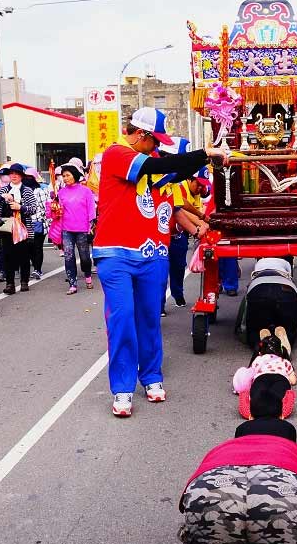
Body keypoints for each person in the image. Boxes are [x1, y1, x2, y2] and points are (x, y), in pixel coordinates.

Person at [93, 107, 228, 417]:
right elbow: (158, 165)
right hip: (115, 255)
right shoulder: (117, 154)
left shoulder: (155, 175)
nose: (157, 149)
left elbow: (174, 171)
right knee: (123, 318)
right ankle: (123, 387)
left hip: (153, 254)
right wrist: (203, 151)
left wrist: (211, 158)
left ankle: (151, 376)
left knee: (149, 318)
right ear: (141, 135)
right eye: (155, 143)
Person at [0, 163, 37, 295]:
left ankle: (24, 281)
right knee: (7, 255)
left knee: (24, 255)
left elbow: (33, 209)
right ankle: (10, 284)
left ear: (21, 176)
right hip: (6, 227)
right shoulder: (3, 190)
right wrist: (2, 197)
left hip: (23, 227)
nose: (14, 176)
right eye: (11, 173)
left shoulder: (27, 190)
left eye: (17, 173)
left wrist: (20, 207)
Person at [168, 168, 211, 307]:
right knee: (161, 272)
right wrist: (202, 222)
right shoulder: (178, 186)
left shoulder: (197, 192)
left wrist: (202, 225)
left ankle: (178, 294)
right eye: (198, 184)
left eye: (202, 185)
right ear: (189, 179)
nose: (200, 188)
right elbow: (184, 212)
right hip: (164, 234)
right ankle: (160, 304)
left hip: (179, 234)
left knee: (179, 267)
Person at [58, 163, 96, 294]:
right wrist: (55, 209)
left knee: (84, 256)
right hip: (66, 229)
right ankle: (72, 283)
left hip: (82, 228)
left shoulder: (86, 191)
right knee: (68, 256)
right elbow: (58, 210)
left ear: (74, 175)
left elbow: (91, 209)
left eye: (68, 175)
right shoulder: (61, 192)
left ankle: (87, 276)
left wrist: (91, 225)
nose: (65, 178)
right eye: (63, 176)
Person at [234, 374, 297, 442]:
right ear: (281, 416)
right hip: (280, 378)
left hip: (261, 377)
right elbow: (292, 448)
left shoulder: (242, 429)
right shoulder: (288, 428)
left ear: (250, 417)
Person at [24, 167, 48, 280]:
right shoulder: (21, 191)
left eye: (30, 177)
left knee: (37, 247)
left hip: (38, 223)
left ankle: (37, 269)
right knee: (29, 247)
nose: (27, 180)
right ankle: (33, 269)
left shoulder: (39, 191)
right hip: (25, 224)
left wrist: (46, 223)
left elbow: (45, 208)